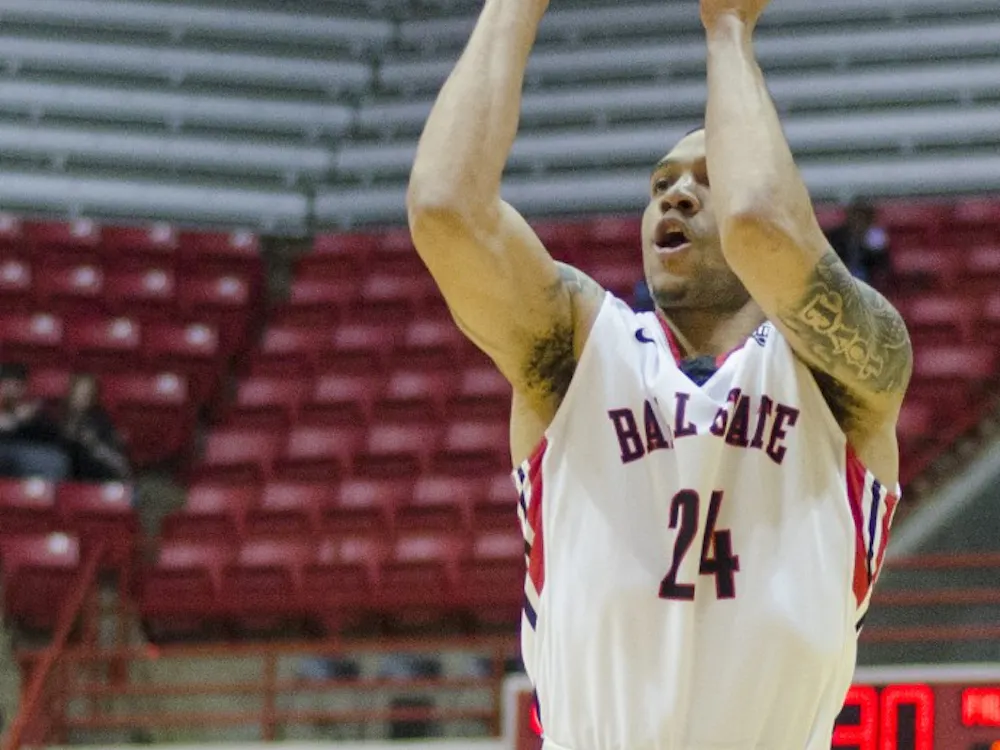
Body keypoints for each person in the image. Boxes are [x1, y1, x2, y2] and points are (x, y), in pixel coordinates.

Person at [406, 0, 912, 748]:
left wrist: (729, 26)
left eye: (705, 176)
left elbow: (762, 223)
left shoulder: (848, 369)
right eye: (660, 183)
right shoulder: (580, 349)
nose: (674, 194)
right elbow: (446, 209)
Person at [55, 373, 130, 481]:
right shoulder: (58, 415)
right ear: (71, 392)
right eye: (79, 392)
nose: (82, 397)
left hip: (98, 471)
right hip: (68, 473)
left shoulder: (99, 418)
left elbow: (112, 454)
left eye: (87, 393)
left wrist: (94, 443)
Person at [0, 363, 68, 480]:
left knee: (56, 461)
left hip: (21, 453)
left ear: (24, 388)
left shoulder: (32, 409)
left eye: (17, 385)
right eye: (7, 384)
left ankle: (34, 496)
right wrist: (14, 419)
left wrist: (32, 420)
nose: (11, 390)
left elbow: (53, 438)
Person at [826, 198, 891, 287]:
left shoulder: (875, 238)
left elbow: (882, 267)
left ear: (869, 220)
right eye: (856, 216)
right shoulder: (836, 236)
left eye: (863, 218)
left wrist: (869, 244)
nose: (858, 221)